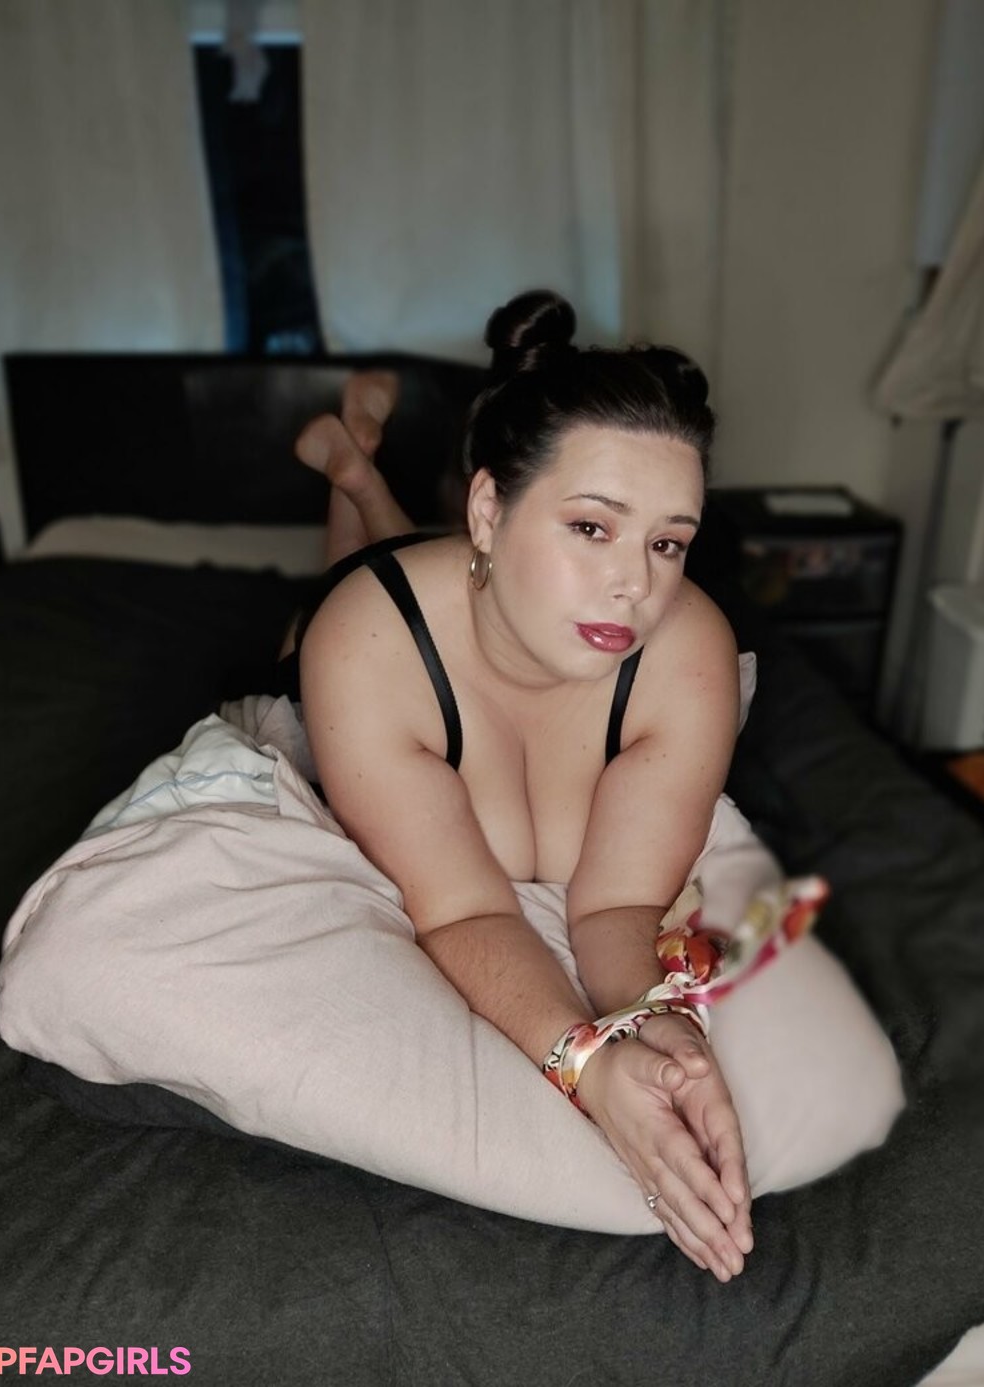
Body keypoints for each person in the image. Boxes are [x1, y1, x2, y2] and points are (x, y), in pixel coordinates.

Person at [286, 291, 890, 1282]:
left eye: (667, 541)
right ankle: (353, 474)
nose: (635, 587)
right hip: (394, 617)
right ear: (490, 508)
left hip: (474, 586)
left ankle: (363, 467)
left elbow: (616, 906)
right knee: (350, 581)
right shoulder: (367, 641)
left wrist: (664, 1041)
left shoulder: (686, 649)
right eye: (591, 527)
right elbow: (465, 909)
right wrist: (588, 1067)